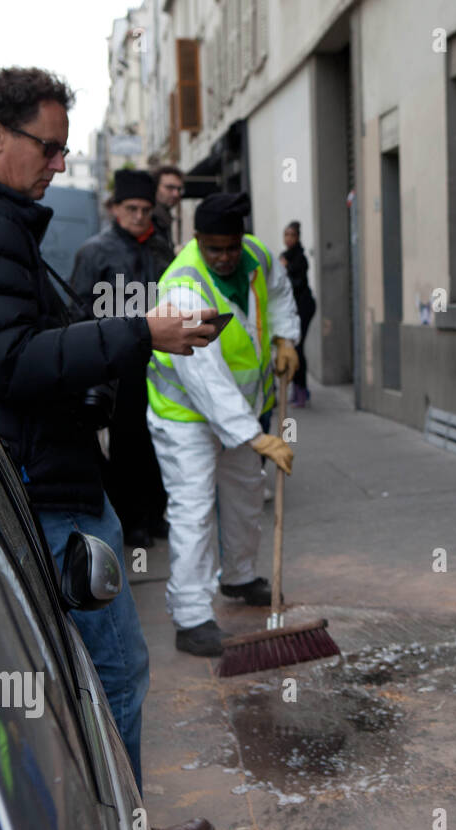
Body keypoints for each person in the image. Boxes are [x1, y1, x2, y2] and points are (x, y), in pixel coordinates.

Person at [0, 67, 228, 830]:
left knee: (88, 678)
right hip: (45, 493)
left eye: (66, 150)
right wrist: (143, 334)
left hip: (44, 477)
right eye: (50, 146)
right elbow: (9, 359)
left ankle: (120, 827)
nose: (60, 164)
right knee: (116, 671)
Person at [146, 191, 301, 657]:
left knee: (245, 495)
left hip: (240, 411)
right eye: (215, 248)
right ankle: (191, 618)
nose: (226, 256)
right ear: (196, 241)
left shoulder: (257, 255)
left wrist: (285, 338)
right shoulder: (184, 284)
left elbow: (279, 295)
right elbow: (204, 376)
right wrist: (255, 436)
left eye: (231, 246)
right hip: (186, 418)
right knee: (193, 511)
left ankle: (238, 576)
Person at [70, 169, 169, 548]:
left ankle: (156, 512)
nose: (140, 215)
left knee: (158, 437)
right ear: (115, 208)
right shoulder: (94, 251)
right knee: (127, 442)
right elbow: (80, 311)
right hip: (119, 363)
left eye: (146, 208)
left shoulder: (161, 248)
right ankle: (132, 520)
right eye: (132, 208)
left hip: (161, 362)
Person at [280, 220, 316, 408]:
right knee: (292, 348)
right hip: (291, 309)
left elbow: (297, 285)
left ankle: (302, 391)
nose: (288, 239)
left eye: (292, 235)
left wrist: (286, 268)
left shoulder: (299, 258)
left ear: (298, 237)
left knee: (298, 348)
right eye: (286, 235)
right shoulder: (284, 256)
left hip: (304, 306)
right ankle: (297, 390)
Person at [150, 163, 183, 265]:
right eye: (170, 188)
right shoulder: (148, 219)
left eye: (179, 189)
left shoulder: (163, 218)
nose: (176, 194)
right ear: (155, 188)